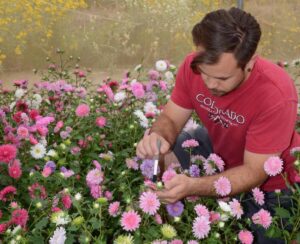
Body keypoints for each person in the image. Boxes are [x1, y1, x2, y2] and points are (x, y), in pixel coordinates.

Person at [136, 7, 299, 243]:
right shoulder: (192, 66)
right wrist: (158, 139)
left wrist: (193, 186)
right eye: (204, 73)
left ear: (250, 62)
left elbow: (253, 173)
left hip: (272, 183)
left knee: (271, 237)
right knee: (154, 161)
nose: (210, 84)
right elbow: (170, 119)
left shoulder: (275, 94)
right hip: (217, 149)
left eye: (222, 78)